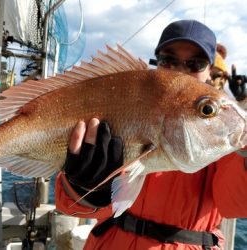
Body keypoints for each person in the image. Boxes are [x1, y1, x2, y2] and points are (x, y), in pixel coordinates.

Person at [55, 20, 247, 250]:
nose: (180, 71)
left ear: (210, 71)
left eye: (195, 63)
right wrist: (86, 189)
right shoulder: (127, 101)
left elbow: (234, 204)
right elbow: (69, 205)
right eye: (169, 60)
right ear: (156, 64)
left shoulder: (222, 128)